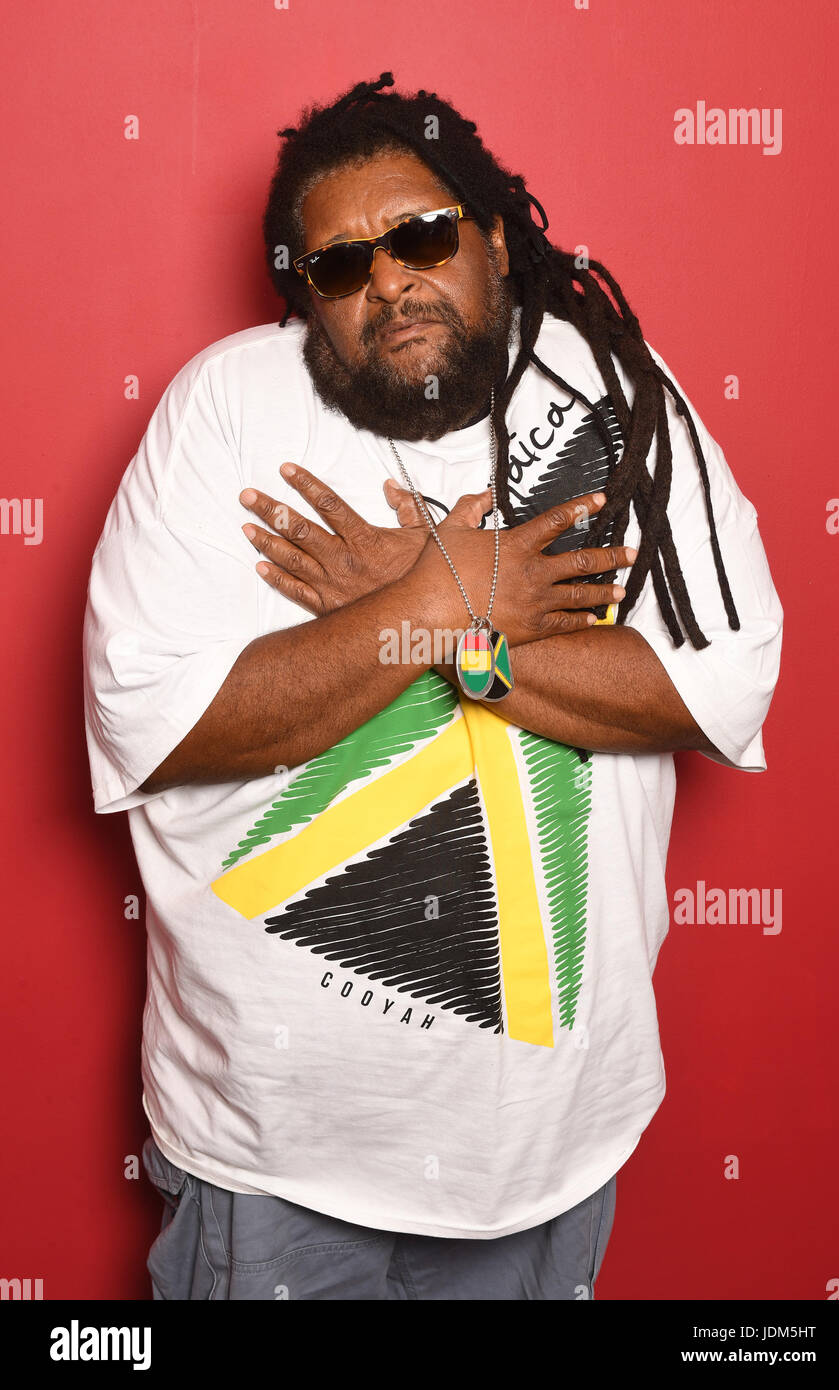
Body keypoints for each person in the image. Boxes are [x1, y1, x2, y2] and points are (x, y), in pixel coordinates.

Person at [82, 72, 783, 1300]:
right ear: (301, 294)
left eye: (418, 237)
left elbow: (718, 683)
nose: (389, 283)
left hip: (543, 1144)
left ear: (495, 240)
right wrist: (432, 598)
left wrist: (443, 621)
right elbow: (156, 727)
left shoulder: (609, 393)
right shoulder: (224, 410)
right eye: (339, 265)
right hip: (277, 1150)